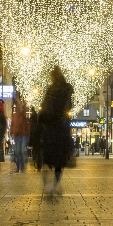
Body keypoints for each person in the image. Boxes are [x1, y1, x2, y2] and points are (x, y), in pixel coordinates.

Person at [39, 66, 74, 195]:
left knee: (48, 159)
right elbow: (68, 108)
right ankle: (55, 185)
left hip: (50, 129)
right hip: (61, 129)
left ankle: (48, 186)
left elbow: (45, 109)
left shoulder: (51, 90)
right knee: (59, 161)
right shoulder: (66, 90)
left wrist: (43, 124)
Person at [10, 98, 30, 173]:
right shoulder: (15, 116)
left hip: (23, 135)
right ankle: (18, 166)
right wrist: (11, 133)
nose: (21, 108)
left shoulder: (24, 116)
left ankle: (22, 167)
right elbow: (12, 125)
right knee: (17, 152)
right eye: (20, 106)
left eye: (22, 107)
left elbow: (27, 126)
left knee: (22, 151)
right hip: (16, 135)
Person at [28, 106, 42, 170]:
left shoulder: (33, 121)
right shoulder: (39, 120)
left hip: (35, 137)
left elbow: (31, 131)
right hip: (39, 138)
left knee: (35, 149)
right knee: (38, 150)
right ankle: (38, 162)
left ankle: (35, 159)